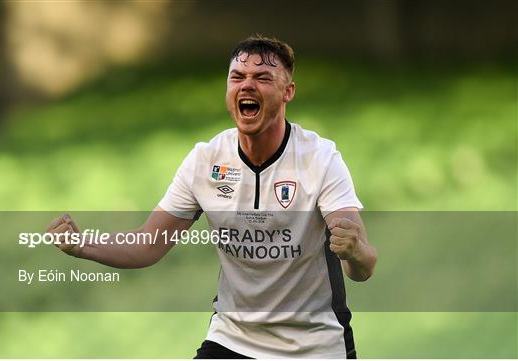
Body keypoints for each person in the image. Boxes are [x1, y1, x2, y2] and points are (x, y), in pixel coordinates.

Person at [47, 35, 377, 359]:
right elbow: (148, 244)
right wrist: (82, 245)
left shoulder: (319, 159)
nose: (248, 85)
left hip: (315, 347)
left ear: (287, 91)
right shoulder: (206, 161)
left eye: (262, 77)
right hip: (233, 340)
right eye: (238, 77)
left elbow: (363, 267)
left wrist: (354, 250)